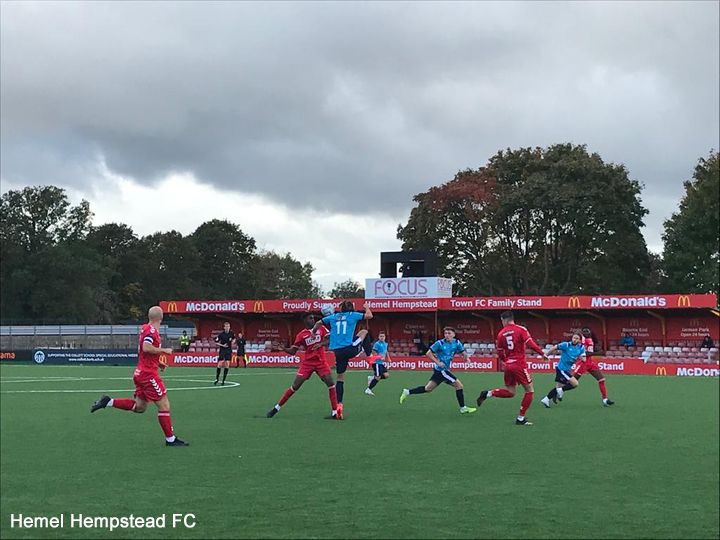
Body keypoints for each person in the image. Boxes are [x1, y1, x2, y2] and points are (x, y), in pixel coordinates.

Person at [90, 305, 188, 446]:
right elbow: (146, 348)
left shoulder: (144, 328)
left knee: (140, 407)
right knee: (164, 405)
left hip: (140, 372)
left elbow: (143, 352)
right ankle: (170, 439)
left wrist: (158, 362)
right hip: (148, 375)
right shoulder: (152, 331)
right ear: (161, 318)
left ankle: (108, 401)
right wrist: (164, 351)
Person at [475, 311, 548, 425]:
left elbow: (499, 352)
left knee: (511, 392)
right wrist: (542, 353)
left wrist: (506, 362)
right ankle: (520, 418)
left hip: (509, 365)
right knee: (529, 391)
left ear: (504, 320)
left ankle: (488, 393)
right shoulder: (521, 329)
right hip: (519, 364)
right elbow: (530, 343)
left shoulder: (501, 334)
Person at [267, 314, 340, 419]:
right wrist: (284, 349)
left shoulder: (321, 328)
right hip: (308, 363)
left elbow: (329, 340)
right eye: (310, 318)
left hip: (321, 362)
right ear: (305, 320)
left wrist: (321, 344)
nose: (313, 320)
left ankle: (334, 412)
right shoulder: (301, 335)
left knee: (331, 383)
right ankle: (276, 408)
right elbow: (293, 351)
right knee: (295, 386)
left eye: (313, 318)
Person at [312, 300, 373, 419]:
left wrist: (314, 332)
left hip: (338, 352)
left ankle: (339, 405)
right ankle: (370, 356)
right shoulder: (353, 315)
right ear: (351, 308)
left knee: (340, 377)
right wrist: (366, 307)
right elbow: (370, 316)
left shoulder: (333, 316)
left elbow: (318, 322)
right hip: (349, 349)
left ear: (341, 309)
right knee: (364, 332)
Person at [399, 327, 477, 414]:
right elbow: (428, 353)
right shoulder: (439, 343)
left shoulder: (456, 342)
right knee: (459, 386)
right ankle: (463, 408)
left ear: (453, 334)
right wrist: (437, 362)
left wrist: (467, 358)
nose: (447, 335)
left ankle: (407, 392)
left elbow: (463, 352)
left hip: (441, 370)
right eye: (445, 333)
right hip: (441, 370)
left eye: (449, 333)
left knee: (428, 388)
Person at [572, 327, 615, 406]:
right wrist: (597, 353)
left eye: (588, 332)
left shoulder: (590, 340)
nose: (587, 333)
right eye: (585, 332)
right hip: (583, 363)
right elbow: (585, 354)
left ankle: (605, 400)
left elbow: (590, 352)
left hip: (590, 363)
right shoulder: (582, 342)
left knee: (601, 379)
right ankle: (557, 391)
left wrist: (597, 352)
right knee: (572, 382)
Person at [540, 332, 585, 408]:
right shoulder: (566, 345)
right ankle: (559, 392)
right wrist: (546, 355)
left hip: (567, 370)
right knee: (575, 384)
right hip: (561, 369)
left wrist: (580, 357)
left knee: (558, 387)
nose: (574, 340)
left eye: (577, 338)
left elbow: (584, 358)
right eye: (574, 338)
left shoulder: (581, 348)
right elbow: (554, 347)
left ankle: (546, 399)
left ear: (579, 340)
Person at [365, 331, 391, 396]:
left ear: (385, 337)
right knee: (378, 377)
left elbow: (386, 351)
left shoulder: (385, 344)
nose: (382, 338)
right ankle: (368, 389)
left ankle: (372, 378)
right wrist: (379, 357)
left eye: (383, 336)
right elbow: (373, 352)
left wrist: (388, 358)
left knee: (386, 375)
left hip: (381, 363)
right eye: (381, 336)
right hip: (376, 362)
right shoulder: (377, 344)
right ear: (378, 337)